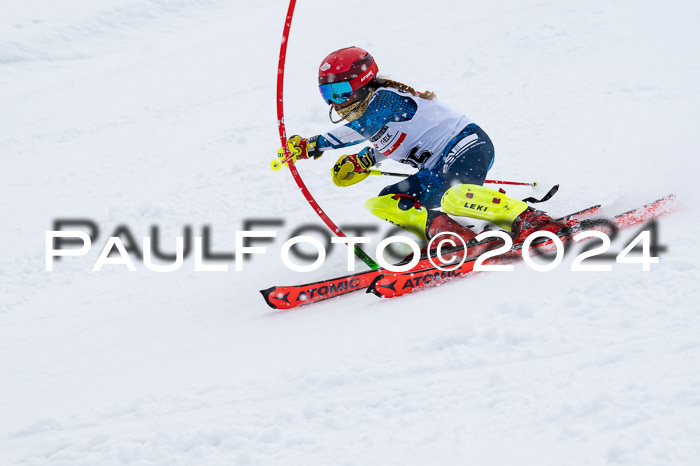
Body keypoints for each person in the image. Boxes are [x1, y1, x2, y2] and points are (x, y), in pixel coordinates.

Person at [278, 46, 559, 246]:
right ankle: (450, 233)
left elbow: (362, 130)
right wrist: (363, 161)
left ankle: (529, 218)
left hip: (466, 145)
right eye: (327, 93)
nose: (334, 102)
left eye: (339, 91)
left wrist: (313, 145)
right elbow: (386, 140)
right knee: (385, 201)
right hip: (436, 167)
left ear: (362, 83)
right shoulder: (371, 115)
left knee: (455, 196)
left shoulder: (385, 99)